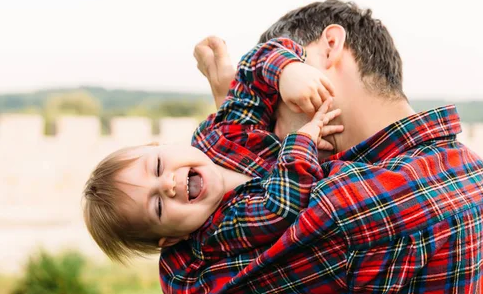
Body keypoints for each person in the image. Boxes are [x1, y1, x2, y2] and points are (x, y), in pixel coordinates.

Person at [159, 0, 483, 294]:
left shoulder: (345, 206)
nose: (274, 131)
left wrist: (227, 125)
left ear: (330, 47)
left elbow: (191, 279)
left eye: (273, 100)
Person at [83, 37, 343, 263]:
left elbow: (246, 80)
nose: (167, 185)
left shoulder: (218, 136)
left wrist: (287, 71)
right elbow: (281, 208)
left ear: (160, 145)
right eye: (158, 206)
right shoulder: (219, 232)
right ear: (173, 238)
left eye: (158, 167)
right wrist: (302, 140)